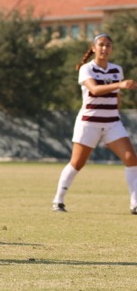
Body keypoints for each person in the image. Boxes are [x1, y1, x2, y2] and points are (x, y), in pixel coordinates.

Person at [52, 32, 137, 214]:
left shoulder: (116, 69)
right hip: (89, 123)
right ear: (93, 48)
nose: (105, 48)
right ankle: (58, 201)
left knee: (132, 159)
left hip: (112, 122)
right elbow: (95, 90)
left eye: (108, 45)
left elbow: (117, 97)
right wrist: (119, 85)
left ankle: (135, 204)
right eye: (101, 45)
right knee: (77, 163)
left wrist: (117, 112)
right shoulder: (86, 69)